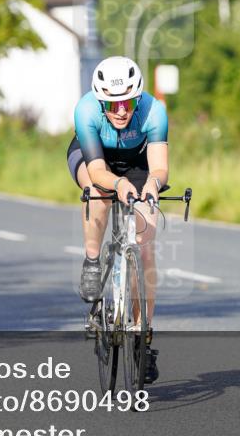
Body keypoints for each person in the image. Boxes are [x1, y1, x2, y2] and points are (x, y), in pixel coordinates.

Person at [67, 56, 168, 384]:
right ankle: (93, 261)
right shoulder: (86, 111)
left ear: (138, 98)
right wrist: (118, 184)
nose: (121, 110)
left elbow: (160, 168)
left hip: (137, 159)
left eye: (128, 102)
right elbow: (98, 171)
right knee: (98, 192)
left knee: (146, 243)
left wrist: (152, 185)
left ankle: (142, 336)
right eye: (112, 104)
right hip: (95, 157)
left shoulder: (154, 111)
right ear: (100, 101)